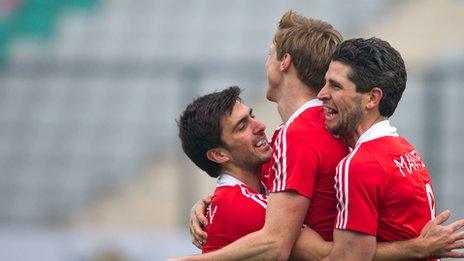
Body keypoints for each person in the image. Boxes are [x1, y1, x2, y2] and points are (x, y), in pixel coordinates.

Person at [185, 11, 464, 261]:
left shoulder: (302, 136)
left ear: (285, 62)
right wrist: (217, 201)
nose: (324, 94)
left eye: (269, 53)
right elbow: (261, 190)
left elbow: (287, 245)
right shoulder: (340, 126)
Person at [315, 37, 462, 260]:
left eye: (335, 86)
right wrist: (418, 248)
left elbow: (349, 257)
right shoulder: (404, 148)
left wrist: (296, 237)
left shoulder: (359, 165)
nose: (322, 94)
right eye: (325, 83)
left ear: (372, 98)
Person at [177, 86, 272, 253]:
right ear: (219, 155)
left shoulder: (265, 171)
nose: (261, 126)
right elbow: (325, 254)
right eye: (242, 126)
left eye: (252, 116)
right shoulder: (240, 207)